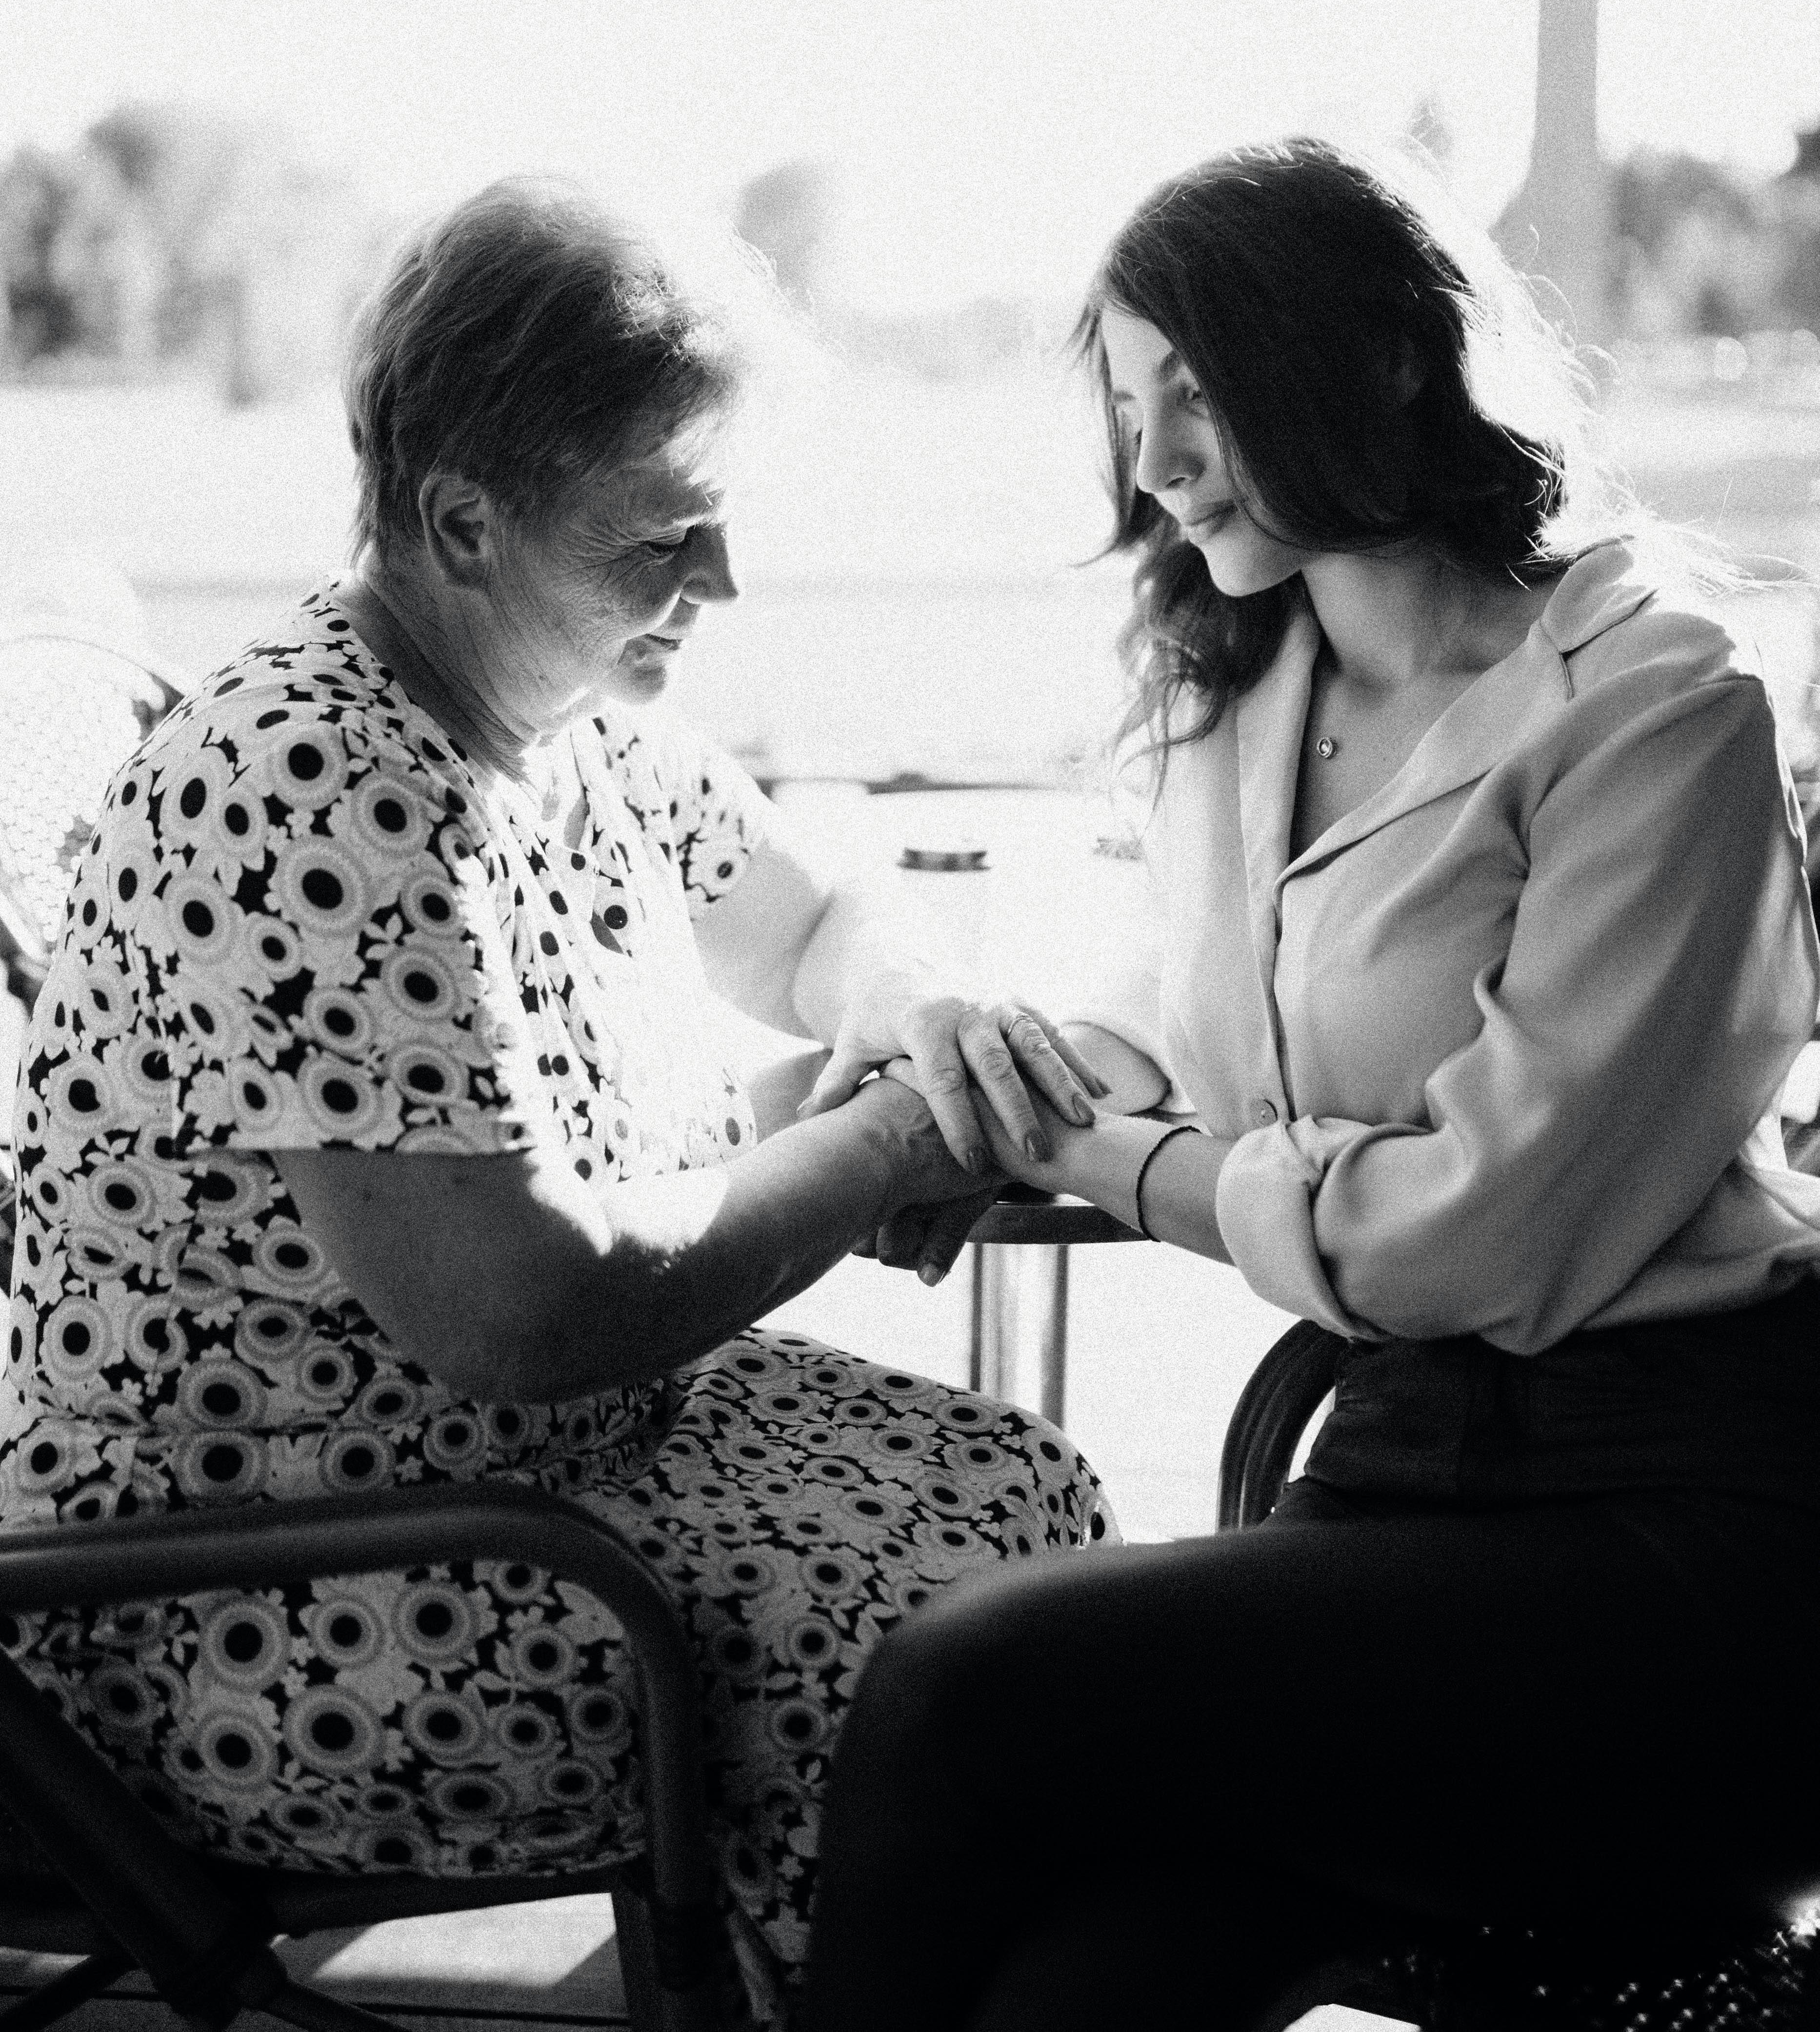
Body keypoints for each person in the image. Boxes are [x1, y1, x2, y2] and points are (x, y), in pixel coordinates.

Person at [0, 179, 1114, 2032]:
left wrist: (918, 1017)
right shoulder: (318, 778)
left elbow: (819, 920)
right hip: (270, 1588)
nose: (723, 588)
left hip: (525, 1484)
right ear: (461, 523)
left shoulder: (562, 709)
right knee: (954, 1669)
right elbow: (528, 1308)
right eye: (668, 541)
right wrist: (885, 1144)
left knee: (1029, 1505)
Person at [801, 139, 1820, 2032]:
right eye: (1130, 403)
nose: (1159, 458)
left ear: (1367, 367)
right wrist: (968, 1065)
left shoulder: (1657, 701)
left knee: (955, 1682)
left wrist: (1108, 1157)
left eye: (1200, 389)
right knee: (1069, 1992)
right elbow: (1192, 1033)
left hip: (1689, 1537)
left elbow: (1479, 1230)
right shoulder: (1237, 693)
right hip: (1397, 1500)